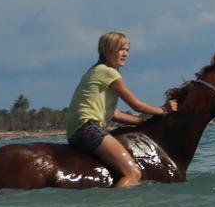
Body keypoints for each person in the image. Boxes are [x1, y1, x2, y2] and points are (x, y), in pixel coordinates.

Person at [64, 32, 177, 188]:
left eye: (127, 49)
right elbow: (136, 104)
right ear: (106, 50)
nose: (125, 53)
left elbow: (114, 114)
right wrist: (164, 110)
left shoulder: (95, 71)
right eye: (120, 49)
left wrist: (141, 122)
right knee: (133, 174)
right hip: (88, 128)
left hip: (76, 132)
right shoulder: (108, 72)